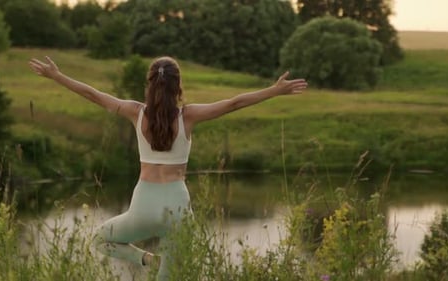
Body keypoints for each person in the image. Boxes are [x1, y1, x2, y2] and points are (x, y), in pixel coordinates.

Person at [29, 55, 308, 280]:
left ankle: (148, 261)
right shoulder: (189, 116)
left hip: (143, 205)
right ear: (178, 86)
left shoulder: (134, 112)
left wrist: (57, 76)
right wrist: (275, 90)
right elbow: (235, 103)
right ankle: (161, 266)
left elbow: (93, 95)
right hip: (177, 206)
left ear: (149, 84)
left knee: (100, 241)